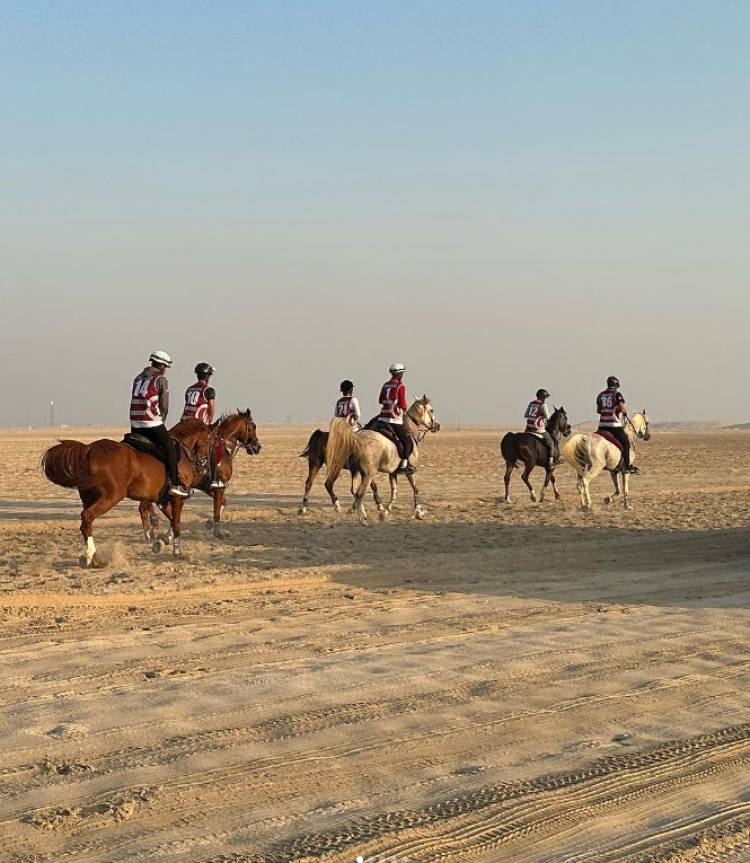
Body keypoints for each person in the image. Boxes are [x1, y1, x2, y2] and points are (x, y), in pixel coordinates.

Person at [129, 350, 189, 497]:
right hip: (151, 423)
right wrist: (161, 419)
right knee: (170, 449)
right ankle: (175, 485)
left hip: (135, 423)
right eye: (166, 367)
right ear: (162, 366)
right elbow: (164, 405)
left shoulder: (137, 378)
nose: (166, 370)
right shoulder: (160, 379)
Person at [182, 362, 223, 489]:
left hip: (184, 424)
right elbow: (211, 410)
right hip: (198, 427)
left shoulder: (190, 389)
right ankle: (214, 478)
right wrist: (209, 426)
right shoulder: (209, 391)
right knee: (212, 447)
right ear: (208, 376)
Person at [378, 362, 414, 475]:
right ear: (400, 374)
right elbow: (403, 404)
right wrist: (404, 408)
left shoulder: (385, 385)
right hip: (394, 419)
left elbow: (380, 400)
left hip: (381, 418)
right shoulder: (400, 386)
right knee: (407, 442)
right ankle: (403, 465)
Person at [596, 375, 637, 473]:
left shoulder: (600, 395)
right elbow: (623, 409)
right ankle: (627, 467)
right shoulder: (617, 394)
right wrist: (621, 412)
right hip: (614, 425)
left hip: (602, 425)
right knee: (626, 442)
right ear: (616, 384)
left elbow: (598, 410)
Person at [524, 388, 555, 469]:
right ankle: (550, 462)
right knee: (551, 443)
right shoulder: (543, 405)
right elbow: (548, 417)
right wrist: (542, 418)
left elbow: (526, 415)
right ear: (542, 398)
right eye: (545, 398)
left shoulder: (531, 403)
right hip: (538, 429)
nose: (545, 399)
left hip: (528, 429)